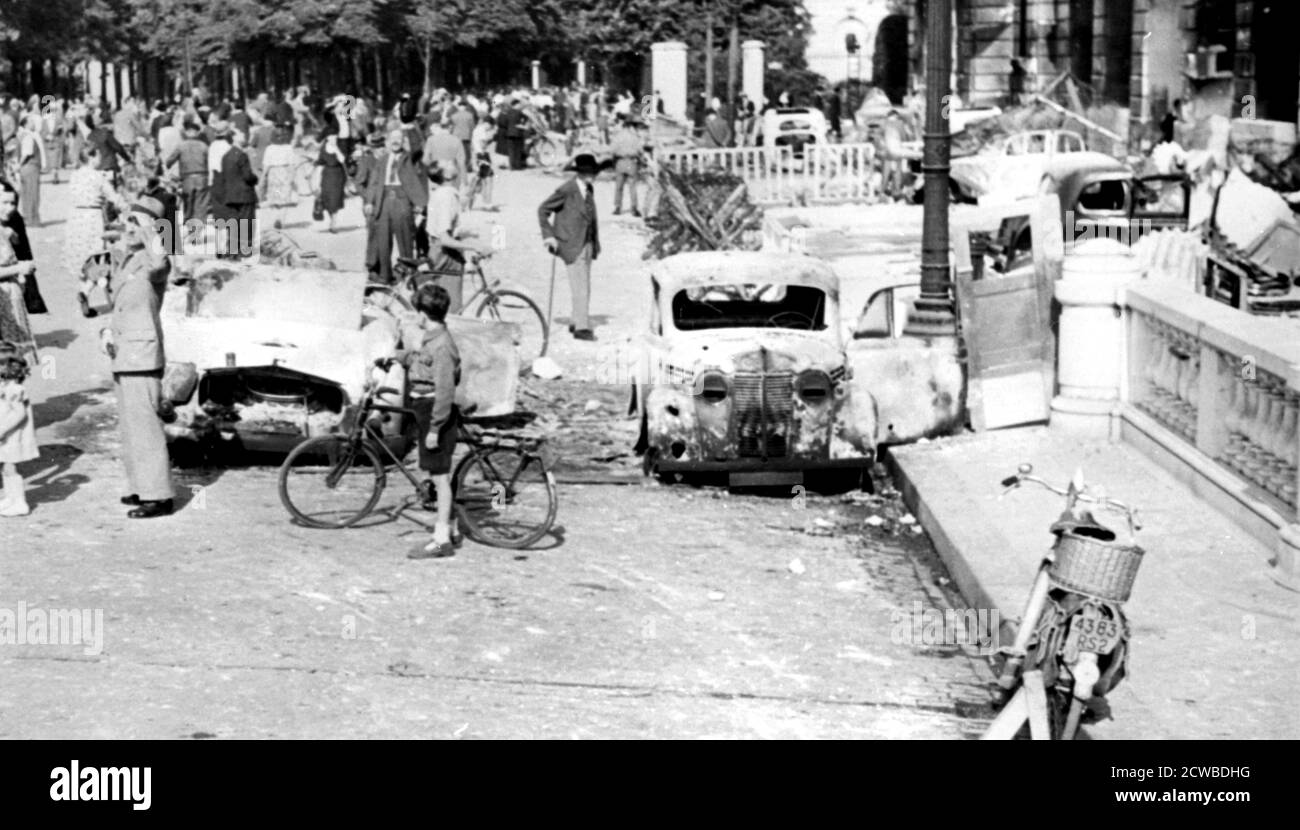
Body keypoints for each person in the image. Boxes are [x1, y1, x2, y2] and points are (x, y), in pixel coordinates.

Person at [101, 196, 174, 519]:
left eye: (135, 223)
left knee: (145, 426)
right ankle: (140, 486)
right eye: (128, 222)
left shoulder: (154, 260)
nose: (128, 228)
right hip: (123, 351)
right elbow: (117, 300)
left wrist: (150, 228)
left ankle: (159, 495)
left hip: (142, 354)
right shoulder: (129, 259)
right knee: (131, 427)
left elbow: (159, 264)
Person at [378, 283, 461, 559]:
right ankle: (452, 527)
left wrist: (435, 429)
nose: (415, 318)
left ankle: (441, 540)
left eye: (417, 313)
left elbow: (445, 390)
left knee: (440, 478)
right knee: (436, 474)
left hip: (435, 412)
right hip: (425, 407)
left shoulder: (442, 346)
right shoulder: (433, 339)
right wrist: (400, 357)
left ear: (424, 315)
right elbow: (421, 360)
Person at [538, 153, 602, 341]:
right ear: (579, 173)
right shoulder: (567, 190)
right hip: (571, 243)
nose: (591, 176)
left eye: (593, 172)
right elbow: (543, 210)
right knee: (580, 286)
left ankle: (576, 320)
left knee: (583, 285)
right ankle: (581, 327)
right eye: (587, 173)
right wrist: (549, 237)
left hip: (587, 242)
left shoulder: (589, 189)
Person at [358, 127, 427, 284]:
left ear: (403, 141)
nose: (395, 141)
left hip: (402, 200)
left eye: (399, 138)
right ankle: (385, 275)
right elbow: (374, 182)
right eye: (392, 139)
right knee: (383, 240)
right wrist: (369, 201)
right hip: (384, 201)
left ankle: (408, 276)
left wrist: (409, 127)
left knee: (405, 239)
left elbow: (417, 146)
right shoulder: (382, 159)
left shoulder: (409, 158)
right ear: (388, 142)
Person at [66, 146, 129, 317]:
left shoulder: (75, 175)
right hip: (92, 217)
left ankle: (83, 290)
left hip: (75, 217)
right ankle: (86, 291)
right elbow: (114, 197)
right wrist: (127, 209)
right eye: (98, 156)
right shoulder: (98, 177)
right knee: (98, 258)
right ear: (92, 157)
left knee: (81, 258)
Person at [423, 160, 482, 313]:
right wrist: (474, 246)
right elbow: (445, 239)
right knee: (451, 308)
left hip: (444, 251)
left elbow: (450, 228)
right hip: (445, 255)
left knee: (446, 304)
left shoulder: (446, 193)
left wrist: (470, 233)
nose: (453, 163)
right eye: (448, 163)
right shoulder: (446, 197)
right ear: (447, 175)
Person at [0, 183, 40, 369]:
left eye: (13, 203)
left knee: (12, 363)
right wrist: (19, 268)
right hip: (3, 301)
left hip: (11, 298)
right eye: (5, 203)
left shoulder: (4, 229)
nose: (11, 208)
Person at [0, 339, 37, 516]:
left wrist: (2, 430)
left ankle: (20, 502)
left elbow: (19, 414)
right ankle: (10, 497)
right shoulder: (6, 387)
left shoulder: (14, 389)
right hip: (6, 435)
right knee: (4, 467)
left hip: (11, 436)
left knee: (9, 467)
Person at [212, 127, 259, 258]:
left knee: (233, 223)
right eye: (241, 134)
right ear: (234, 138)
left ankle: (232, 249)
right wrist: (255, 178)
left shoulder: (226, 156)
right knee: (246, 222)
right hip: (244, 194)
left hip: (230, 194)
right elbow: (247, 176)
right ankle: (245, 249)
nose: (244, 136)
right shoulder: (242, 155)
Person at [166, 121, 210, 224]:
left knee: (188, 204)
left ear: (186, 132)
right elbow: (210, 161)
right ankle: (198, 231)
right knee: (201, 205)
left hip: (187, 179)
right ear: (198, 133)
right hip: (202, 177)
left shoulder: (181, 146)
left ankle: (190, 226)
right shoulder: (204, 146)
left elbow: (169, 161)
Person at [259, 126, 297, 230]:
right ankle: (281, 218)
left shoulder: (269, 148)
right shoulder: (288, 148)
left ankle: (276, 217)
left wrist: (263, 177)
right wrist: (292, 177)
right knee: (284, 199)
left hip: (273, 173)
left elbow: (266, 165)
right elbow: (292, 164)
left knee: (275, 198)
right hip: (284, 172)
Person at [610, 120, 644, 217]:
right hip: (632, 162)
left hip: (620, 161)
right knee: (632, 186)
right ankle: (634, 208)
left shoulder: (617, 136)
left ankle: (617, 207)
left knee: (619, 187)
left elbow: (612, 149)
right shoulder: (635, 137)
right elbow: (640, 150)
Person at [16, 114, 45, 225]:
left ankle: (27, 218)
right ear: (26, 124)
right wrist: (20, 164)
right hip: (31, 166)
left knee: (26, 194)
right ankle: (33, 219)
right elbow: (27, 152)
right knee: (33, 194)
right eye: (32, 122)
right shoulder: (28, 136)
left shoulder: (22, 135)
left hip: (25, 168)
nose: (34, 124)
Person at [315, 132, 347, 232]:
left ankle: (333, 224)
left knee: (335, 199)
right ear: (327, 137)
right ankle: (331, 219)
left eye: (335, 136)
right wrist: (317, 181)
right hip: (327, 175)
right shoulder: (323, 148)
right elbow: (320, 164)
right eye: (331, 136)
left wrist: (337, 149)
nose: (333, 138)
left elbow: (342, 160)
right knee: (327, 200)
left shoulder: (340, 147)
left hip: (338, 175)